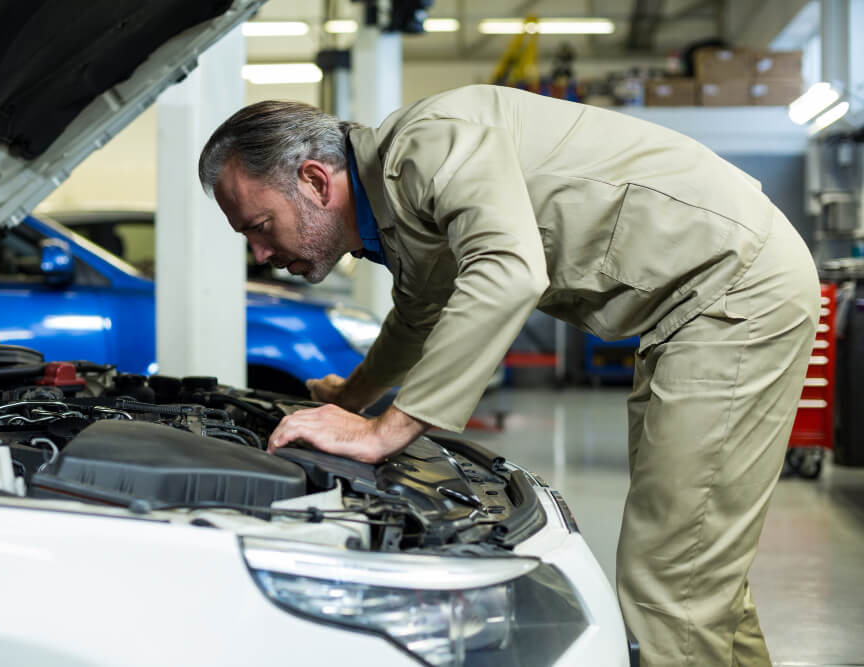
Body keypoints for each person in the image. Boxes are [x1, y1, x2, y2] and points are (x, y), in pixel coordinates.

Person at [198, 85, 819, 666]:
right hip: (689, 313)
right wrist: (351, 398)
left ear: (313, 181)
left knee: (670, 584)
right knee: (698, 572)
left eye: (259, 226)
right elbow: (417, 316)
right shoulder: (397, 208)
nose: (262, 256)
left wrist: (384, 431)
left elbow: (508, 268)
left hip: (733, 291)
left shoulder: (426, 144)